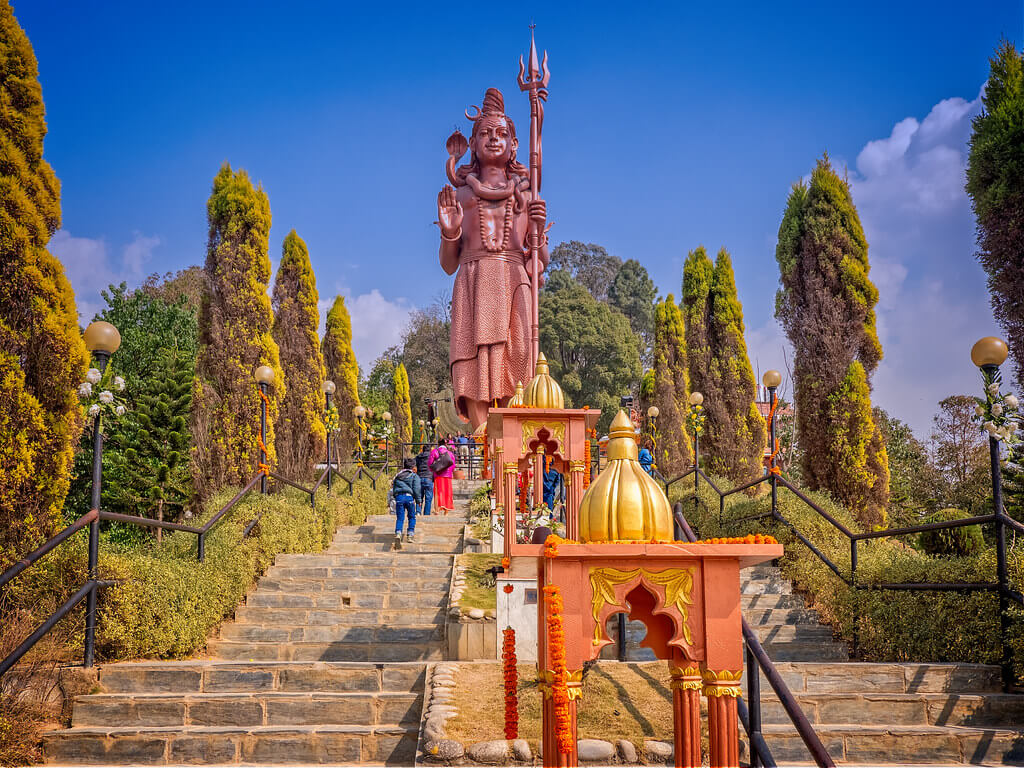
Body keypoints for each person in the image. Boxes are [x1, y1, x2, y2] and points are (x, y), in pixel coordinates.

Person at [391, 458, 422, 546]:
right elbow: (417, 489)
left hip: (399, 498)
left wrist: (396, 496)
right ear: (413, 467)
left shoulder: (397, 476)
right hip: (409, 498)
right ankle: (410, 535)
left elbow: (394, 489)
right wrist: (418, 500)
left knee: (400, 518)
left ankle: (398, 533)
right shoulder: (414, 476)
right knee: (411, 517)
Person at [429, 437, 456, 515]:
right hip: (448, 476)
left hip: (438, 475)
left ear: (438, 444)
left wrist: (434, 472)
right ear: (446, 444)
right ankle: (446, 510)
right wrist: (450, 472)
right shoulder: (450, 453)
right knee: (447, 492)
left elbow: (430, 464)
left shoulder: (434, 452)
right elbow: (453, 465)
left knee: (438, 492)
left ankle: (437, 509)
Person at [414, 443, 434, 516]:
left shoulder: (418, 457)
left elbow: (413, 464)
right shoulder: (432, 456)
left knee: (419, 496)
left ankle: (418, 511)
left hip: (419, 478)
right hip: (429, 477)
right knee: (428, 498)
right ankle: (426, 514)